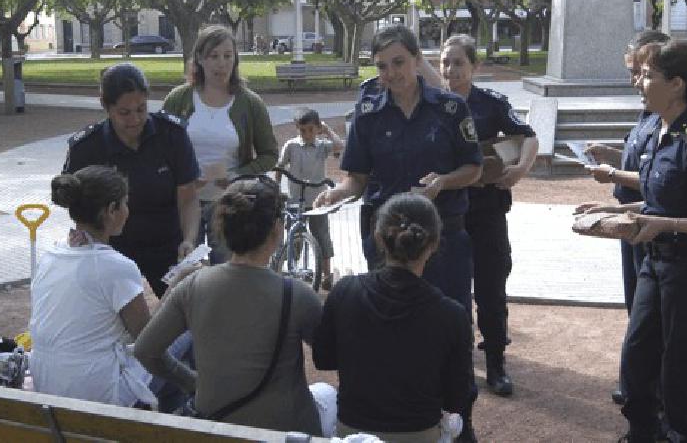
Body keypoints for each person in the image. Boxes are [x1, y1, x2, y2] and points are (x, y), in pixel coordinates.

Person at [314, 24, 481, 442]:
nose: (390, 74)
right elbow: (357, 178)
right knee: (388, 334)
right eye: (382, 66)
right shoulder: (368, 113)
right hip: (386, 242)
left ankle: (460, 424)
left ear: (416, 58)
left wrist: (442, 182)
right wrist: (335, 193)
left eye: (399, 63)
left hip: (443, 241)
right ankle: (393, 423)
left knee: (449, 326)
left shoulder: (449, 109)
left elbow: (474, 168)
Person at [575, 41, 687, 443]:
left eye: (647, 75)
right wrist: (617, 213)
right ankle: (641, 431)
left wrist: (663, 223)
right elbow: (662, 196)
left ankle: (683, 435)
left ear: (676, 84)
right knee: (638, 357)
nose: (639, 82)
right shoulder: (657, 132)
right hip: (654, 264)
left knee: (681, 369)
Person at [134, 177, 324, 435]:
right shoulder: (297, 294)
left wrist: (191, 381)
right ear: (277, 229)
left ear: (222, 230)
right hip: (285, 427)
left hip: (216, 426)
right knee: (326, 395)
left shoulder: (192, 284)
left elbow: (145, 350)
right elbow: (328, 356)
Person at [313, 193, 472, 442]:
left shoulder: (345, 290)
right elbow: (457, 396)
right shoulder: (451, 313)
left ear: (378, 238)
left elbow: (323, 358)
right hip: (420, 434)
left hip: (354, 431)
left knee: (321, 395)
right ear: (433, 244)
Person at [440, 34, 539, 397]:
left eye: (458, 63)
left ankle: (495, 363)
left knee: (491, 292)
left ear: (474, 66)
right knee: (449, 293)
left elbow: (527, 137)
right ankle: (456, 364)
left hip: (487, 215)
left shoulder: (491, 104)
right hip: (447, 215)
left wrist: (519, 170)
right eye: (445, 63)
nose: (450, 70)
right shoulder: (433, 105)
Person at [583, 29, 671, 405]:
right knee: (637, 309)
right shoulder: (647, 114)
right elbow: (644, 163)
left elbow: (660, 177)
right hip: (631, 222)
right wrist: (613, 155)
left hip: (653, 227)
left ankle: (653, 392)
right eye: (632, 71)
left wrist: (616, 175)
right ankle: (639, 384)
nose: (634, 79)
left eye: (641, 71)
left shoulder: (671, 120)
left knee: (653, 317)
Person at [62, 63, 201, 299]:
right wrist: (84, 239)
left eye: (141, 109)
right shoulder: (87, 147)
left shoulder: (172, 135)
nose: (135, 119)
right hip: (109, 247)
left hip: (167, 243)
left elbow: (188, 197)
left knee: (187, 307)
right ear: (106, 107)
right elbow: (73, 202)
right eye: (124, 113)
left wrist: (188, 240)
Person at [29, 165, 157, 408]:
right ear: (111, 210)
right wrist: (178, 290)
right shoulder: (116, 267)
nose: (128, 211)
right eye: (125, 204)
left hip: (47, 382)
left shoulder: (50, 258)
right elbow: (149, 338)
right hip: (97, 391)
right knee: (185, 340)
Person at [162, 25, 278, 265]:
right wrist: (182, 178)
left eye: (228, 56)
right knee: (184, 270)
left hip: (228, 205)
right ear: (200, 60)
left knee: (226, 270)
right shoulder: (178, 99)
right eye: (213, 56)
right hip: (184, 203)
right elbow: (160, 150)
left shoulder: (250, 103)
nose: (221, 64)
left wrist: (238, 176)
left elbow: (269, 154)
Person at [274, 107, 345, 289]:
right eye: (302, 130)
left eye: (311, 130)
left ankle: (326, 274)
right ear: (297, 128)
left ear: (318, 128)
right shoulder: (291, 145)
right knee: (294, 235)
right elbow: (280, 167)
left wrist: (327, 130)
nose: (307, 134)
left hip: (317, 200)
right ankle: (292, 268)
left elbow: (340, 146)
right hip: (294, 199)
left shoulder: (322, 146)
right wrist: (276, 188)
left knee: (321, 235)